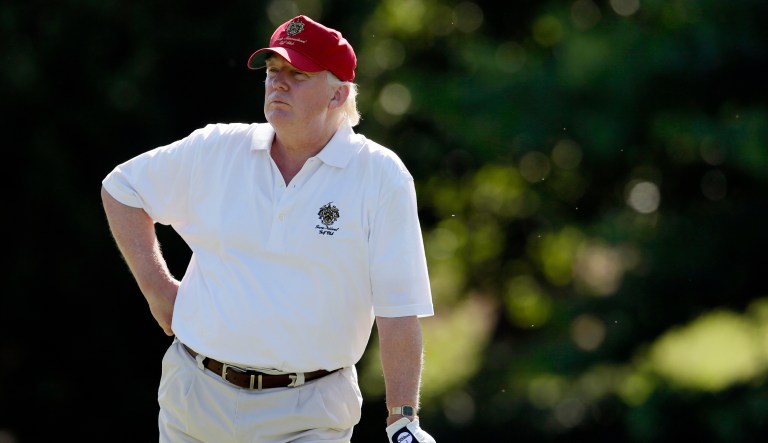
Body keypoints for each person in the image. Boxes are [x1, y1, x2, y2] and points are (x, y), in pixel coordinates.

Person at [100, 14, 437, 443]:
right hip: (196, 398)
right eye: (273, 71)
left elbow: (398, 310)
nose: (278, 83)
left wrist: (402, 417)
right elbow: (122, 189)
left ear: (338, 95)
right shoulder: (218, 148)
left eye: (297, 73)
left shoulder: (380, 175)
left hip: (309, 413)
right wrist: (157, 288)